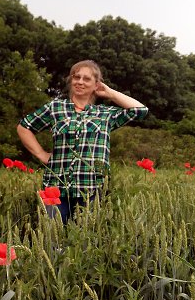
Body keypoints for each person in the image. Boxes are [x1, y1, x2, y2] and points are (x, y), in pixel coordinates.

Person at [17, 60, 148, 223]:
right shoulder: (56, 108)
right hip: (56, 187)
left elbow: (140, 110)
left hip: (92, 187)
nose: (80, 82)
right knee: (51, 240)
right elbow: (24, 126)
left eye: (86, 79)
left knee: (85, 243)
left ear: (96, 85)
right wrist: (41, 154)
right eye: (76, 77)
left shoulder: (105, 114)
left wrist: (111, 93)